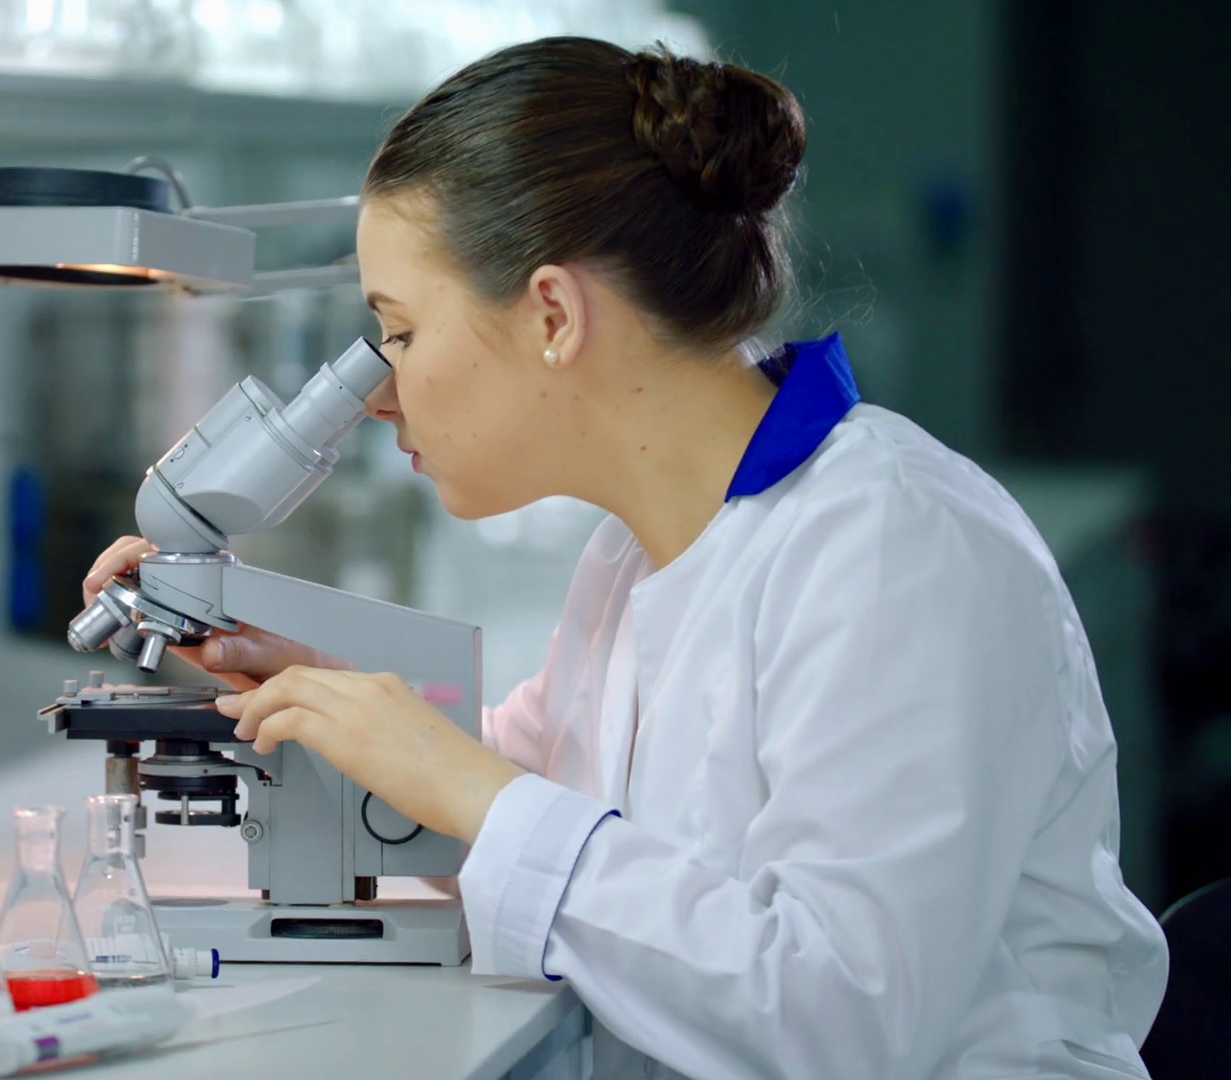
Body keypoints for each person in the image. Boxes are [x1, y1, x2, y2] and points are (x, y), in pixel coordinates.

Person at [81, 37, 1167, 1079]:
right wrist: (290, 686)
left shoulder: (897, 549)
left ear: (553, 312)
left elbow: (843, 1021)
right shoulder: (634, 553)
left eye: (401, 333)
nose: (378, 394)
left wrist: (472, 787)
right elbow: (516, 806)